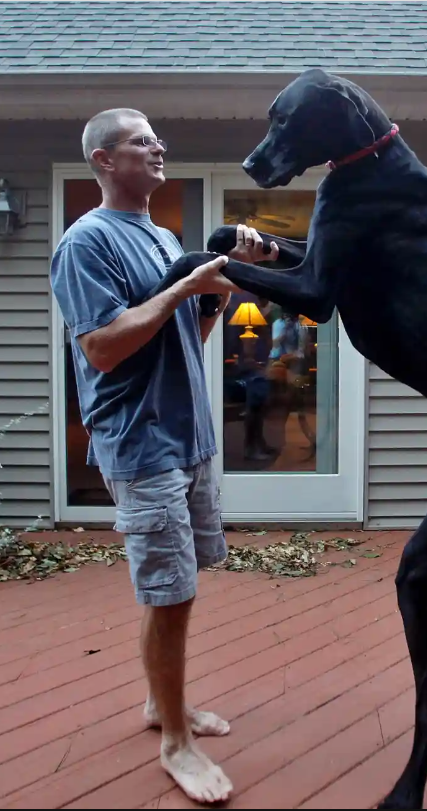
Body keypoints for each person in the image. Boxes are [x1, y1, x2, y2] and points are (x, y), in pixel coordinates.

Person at [49, 107, 278, 805]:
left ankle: (161, 704)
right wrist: (184, 286)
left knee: (180, 586)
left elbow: (183, 337)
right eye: (141, 141)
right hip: (141, 441)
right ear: (103, 159)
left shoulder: (161, 237)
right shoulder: (86, 242)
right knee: (167, 591)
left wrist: (213, 295)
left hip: (189, 434)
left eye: (157, 139)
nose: (158, 148)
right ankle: (175, 741)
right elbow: (101, 347)